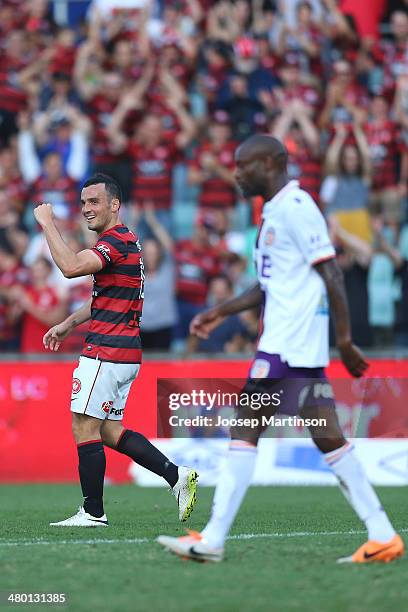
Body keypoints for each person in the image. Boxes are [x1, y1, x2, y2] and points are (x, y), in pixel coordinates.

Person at [157, 135, 404, 563]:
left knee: (245, 429)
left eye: (243, 164)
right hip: (292, 347)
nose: (235, 173)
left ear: (270, 163)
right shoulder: (272, 212)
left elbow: (333, 274)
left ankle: (213, 539)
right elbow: (270, 284)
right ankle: (383, 534)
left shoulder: (296, 208)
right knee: (329, 438)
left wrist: (344, 341)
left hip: (286, 346)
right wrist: (221, 310)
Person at [33, 173, 198, 527]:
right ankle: (176, 476)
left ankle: (93, 513)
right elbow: (105, 299)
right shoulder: (127, 242)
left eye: (94, 202)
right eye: (82, 203)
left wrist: (47, 223)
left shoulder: (114, 242)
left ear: (114, 205)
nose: (86, 209)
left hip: (107, 351)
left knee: (83, 427)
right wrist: (68, 324)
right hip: (123, 351)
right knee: (107, 430)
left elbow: (70, 267)